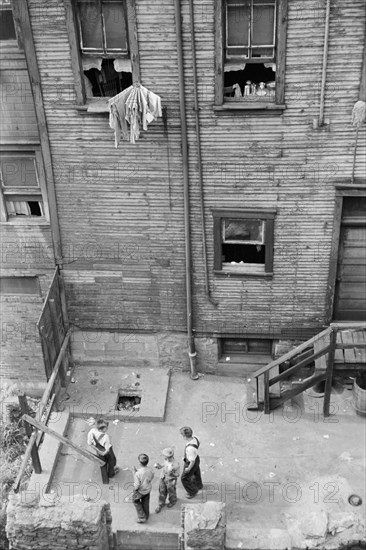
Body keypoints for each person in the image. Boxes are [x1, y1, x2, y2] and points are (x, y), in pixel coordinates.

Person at [154, 447, 180, 513]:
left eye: (164, 455)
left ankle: (173, 501)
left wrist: (172, 473)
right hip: (163, 477)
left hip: (171, 480)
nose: (163, 457)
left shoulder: (176, 464)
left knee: (171, 492)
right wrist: (160, 466)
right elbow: (164, 464)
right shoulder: (166, 459)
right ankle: (161, 503)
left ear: (169, 456)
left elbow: (177, 474)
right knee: (162, 491)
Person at [180, 426, 203, 498]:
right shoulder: (195, 438)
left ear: (184, 436)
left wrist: (188, 468)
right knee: (196, 472)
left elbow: (192, 461)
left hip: (191, 462)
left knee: (184, 478)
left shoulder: (190, 448)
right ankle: (199, 485)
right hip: (196, 458)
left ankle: (192, 492)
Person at [132, 453, 155, 523]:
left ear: (139, 463)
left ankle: (142, 517)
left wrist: (134, 472)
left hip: (140, 491)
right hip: (147, 489)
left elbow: (137, 484)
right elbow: (151, 476)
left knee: (135, 501)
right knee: (145, 502)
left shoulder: (138, 473)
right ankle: (146, 514)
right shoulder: (150, 470)